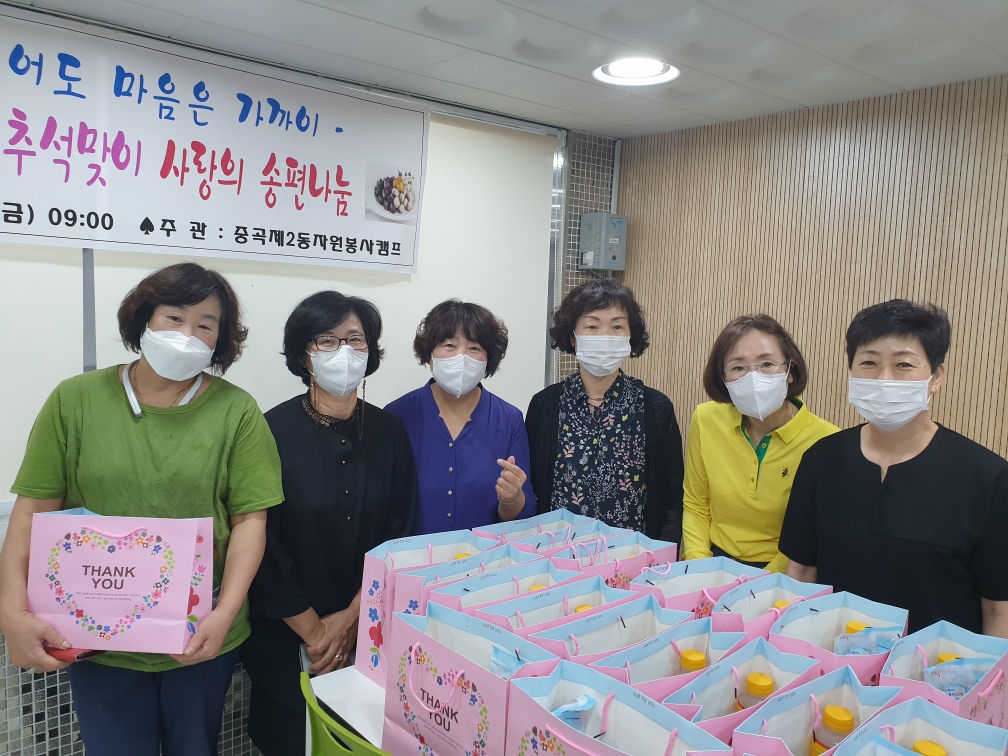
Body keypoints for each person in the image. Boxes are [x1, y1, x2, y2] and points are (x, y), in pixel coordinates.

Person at [0, 262, 283, 756]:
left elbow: (249, 521)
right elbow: (32, 511)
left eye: (206, 325)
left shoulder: (237, 412)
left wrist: (225, 612)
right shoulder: (74, 400)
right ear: (144, 318)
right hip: (94, 636)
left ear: (220, 341)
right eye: (174, 317)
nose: (187, 335)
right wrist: (11, 611)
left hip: (198, 633)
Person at [242, 290, 418, 755]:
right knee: (291, 740)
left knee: (359, 738)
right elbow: (262, 543)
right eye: (327, 340)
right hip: (283, 631)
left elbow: (400, 531)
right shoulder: (268, 431)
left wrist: (353, 617)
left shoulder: (390, 431)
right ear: (303, 353)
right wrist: (316, 631)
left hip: (370, 625)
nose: (344, 351)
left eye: (355, 339)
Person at [779, 300, 1008, 635]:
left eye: (903, 364)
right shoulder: (821, 460)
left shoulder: (988, 478)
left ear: (936, 377)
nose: (884, 378)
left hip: (937, 665)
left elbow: (998, 609)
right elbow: (800, 573)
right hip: (832, 657)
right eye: (869, 363)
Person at [525, 278, 683, 542]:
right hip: (558, 554)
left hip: (632, 555)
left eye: (617, 326)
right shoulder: (544, 405)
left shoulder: (656, 408)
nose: (605, 336)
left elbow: (672, 497)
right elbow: (533, 491)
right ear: (573, 337)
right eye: (592, 326)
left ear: (630, 336)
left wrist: (662, 554)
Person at [680, 315, 837, 571]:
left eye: (767, 364)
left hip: (784, 571)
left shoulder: (826, 442)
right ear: (723, 378)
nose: (753, 377)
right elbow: (696, 504)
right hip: (714, 561)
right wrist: (699, 567)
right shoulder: (706, 419)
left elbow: (810, 534)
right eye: (738, 368)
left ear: (789, 370)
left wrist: (761, 583)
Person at [385, 299, 533, 534]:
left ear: (488, 358)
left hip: (485, 555)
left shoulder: (509, 420)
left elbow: (525, 514)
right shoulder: (397, 416)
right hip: (413, 554)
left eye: (474, 348)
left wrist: (511, 499)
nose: (461, 356)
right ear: (429, 353)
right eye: (449, 345)